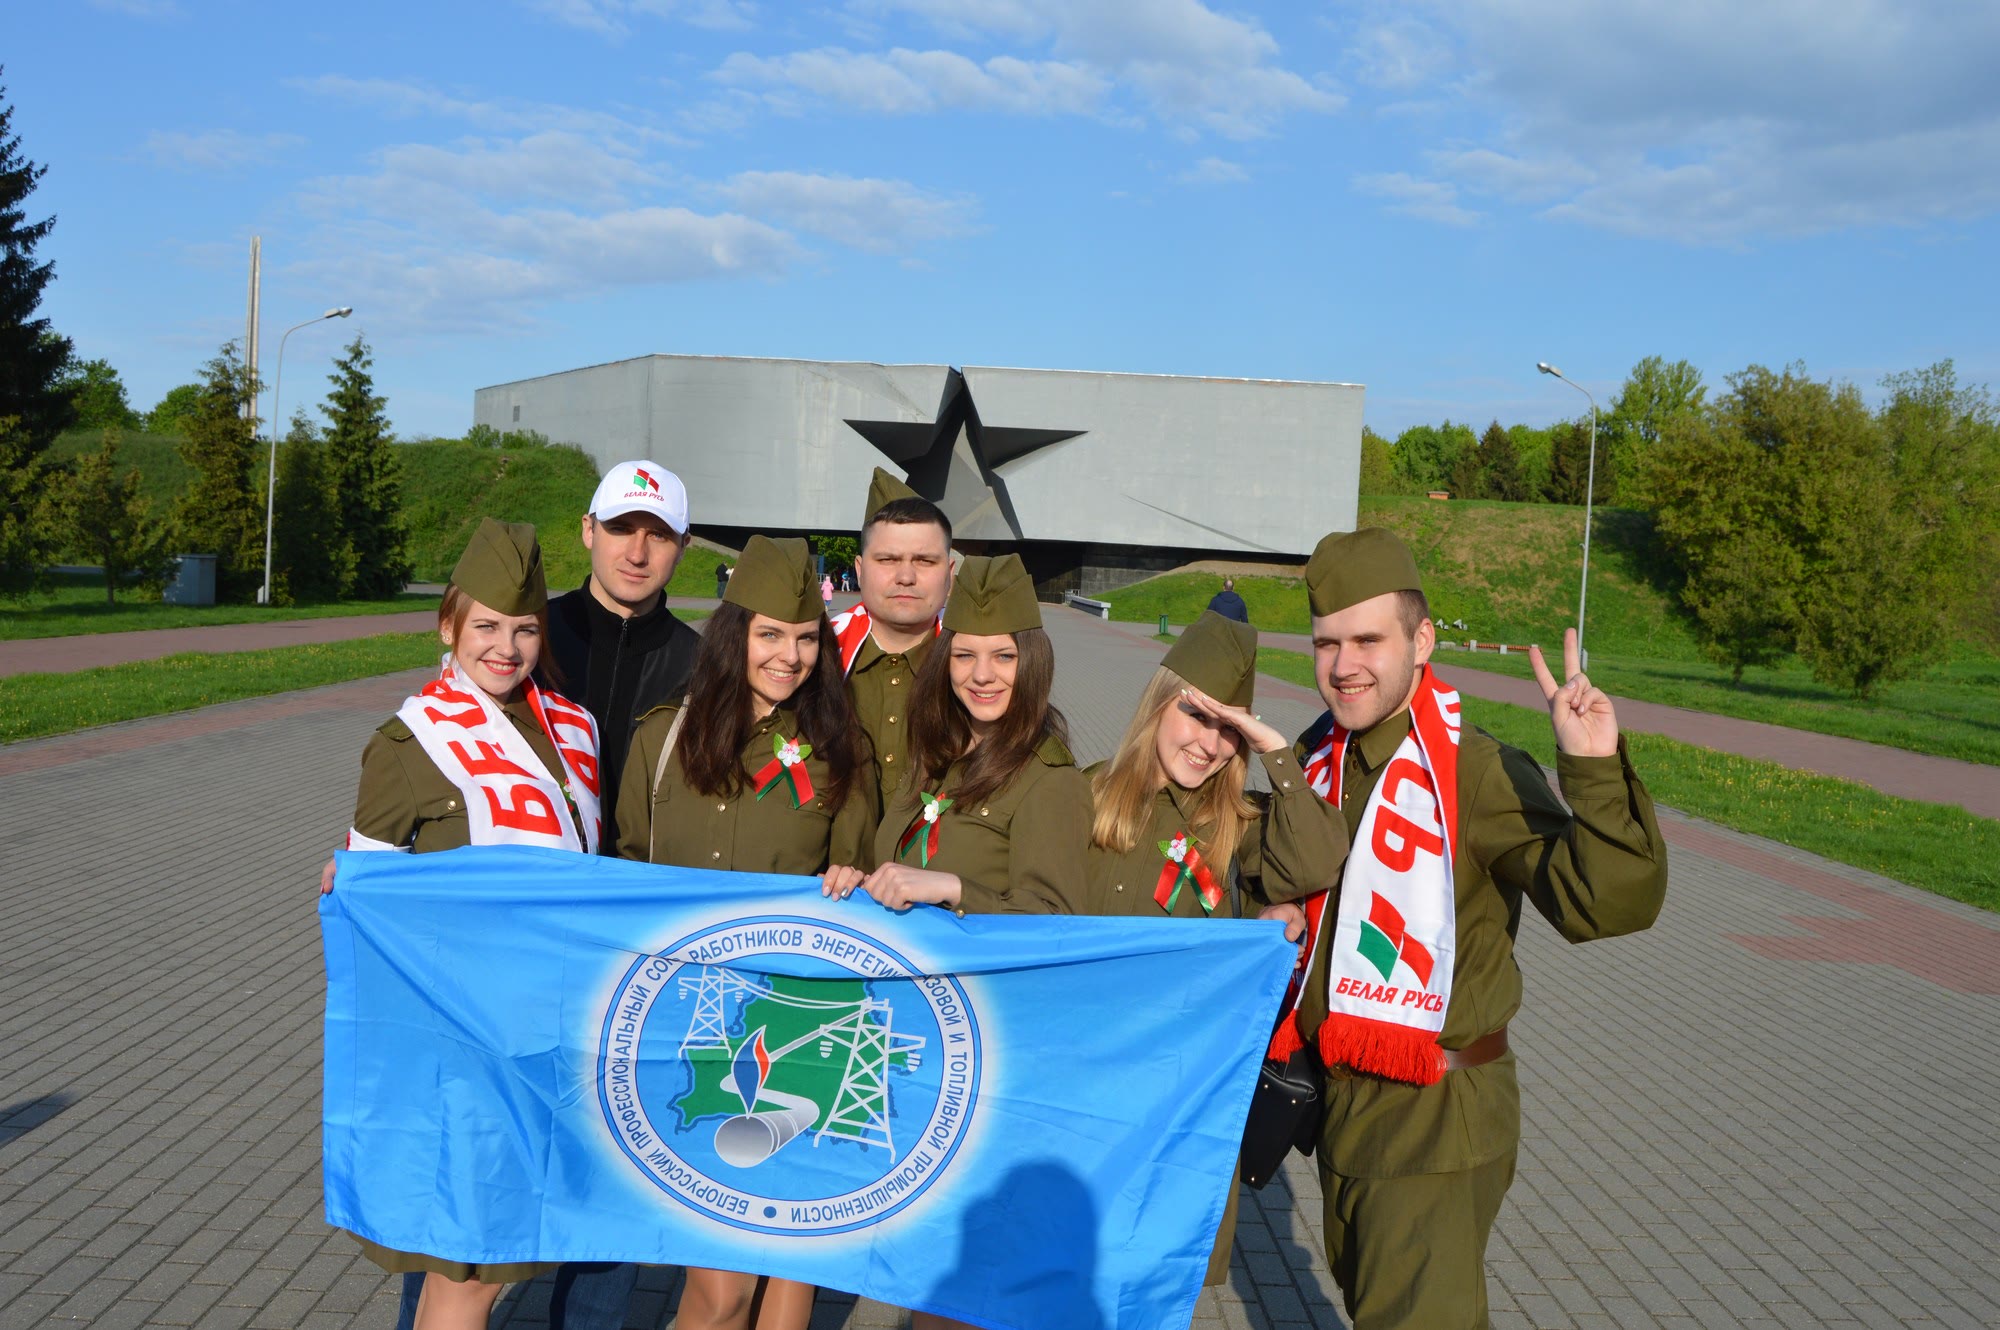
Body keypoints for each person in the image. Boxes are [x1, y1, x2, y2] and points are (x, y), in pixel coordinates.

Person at [1256, 527, 1668, 1330]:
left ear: (1423, 640)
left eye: (1369, 639)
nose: (1344, 665)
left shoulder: (1471, 770)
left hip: (1433, 1111)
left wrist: (1592, 767)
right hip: (1342, 1103)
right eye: (1326, 643)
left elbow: (1606, 903)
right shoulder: (1318, 757)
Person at [333, 518, 602, 1330]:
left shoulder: (575, 729)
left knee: (510, 1244)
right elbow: (370, 908)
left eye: (524, 629)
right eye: (486, 625)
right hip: (462, 1044)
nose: (506, 647)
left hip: (552, 1031)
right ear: (448, 624)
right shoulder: (407, 743)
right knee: (468, 1265)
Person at [613, 535, 876, 1330]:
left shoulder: (841, 754)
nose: (790, 656)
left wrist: (852, 884)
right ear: (736, 636)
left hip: (792, 1033)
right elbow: (624, 869)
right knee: (721, 1291)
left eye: (805, 638)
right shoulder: (662, 740)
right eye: (770, 635)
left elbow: (857, 887)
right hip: (680, 1033)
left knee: (786, 1283)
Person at [1078, 610, 1347, 1287]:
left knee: (1155, 1289)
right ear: (1156, 703)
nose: (1209, 744)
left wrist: (1271, 746)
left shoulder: (1240, 828)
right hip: (1085, 1096)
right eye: (1196, 717)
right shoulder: (1083, 796)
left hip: (1180, 1110)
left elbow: (1319, 859)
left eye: (1229, 730)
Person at [823, 553, 1088, 917]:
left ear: (1033, 662)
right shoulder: (935, 752)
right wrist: (859, 881)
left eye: (1004, 657)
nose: (981, 675)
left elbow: (1054, 922)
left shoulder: (1051, 780)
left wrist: (954, 889)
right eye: (964, 655)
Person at [543, 459, 701, 846]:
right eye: (620, 529)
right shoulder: (534, 636)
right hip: (540, 878)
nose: (636, 553)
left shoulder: (703, 664)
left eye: (659, 536)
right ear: (589, 530)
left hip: (646, 886)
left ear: (684, 547)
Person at [831, 468, 953, 806]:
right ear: (859, 569)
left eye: (925, 560)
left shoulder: (980, 665)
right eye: (888, 559)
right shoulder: (815, 653)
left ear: (950, 573)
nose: (905, 576)